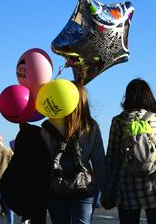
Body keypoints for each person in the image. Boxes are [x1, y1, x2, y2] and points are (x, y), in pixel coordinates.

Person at [101, 78, 156, 224]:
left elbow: (112, 158)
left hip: (128, 190)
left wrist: (108, 190)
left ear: (127, 97)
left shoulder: (118, 122)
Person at [41, 82, 106, 224]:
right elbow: (99, 162)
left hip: (56, 186)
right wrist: (106, 191)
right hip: (84, 186)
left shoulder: (48, 126)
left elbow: (44, 161)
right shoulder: (90, 126)